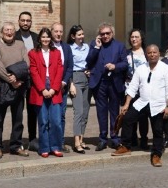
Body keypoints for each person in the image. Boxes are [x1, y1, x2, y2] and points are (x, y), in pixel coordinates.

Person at [114, 44, 168, 166]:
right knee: (127, 118)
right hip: (142, 102)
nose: (152, 55)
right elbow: (132, 88)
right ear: (146, 55)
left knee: (158, 130)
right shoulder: (141, 69)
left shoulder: (165, 68)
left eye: (154, 52)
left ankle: (156, 155)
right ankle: (126, 146)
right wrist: (126, 104)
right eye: (149, 53)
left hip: (158, 105)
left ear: (159, 54)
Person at [85, 22, 128, 151]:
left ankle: (114, 137)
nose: (105, 36)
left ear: (112, 33)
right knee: (101, 112)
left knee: (114, 112)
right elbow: (89, 61)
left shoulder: (119, 46)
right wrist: (97, 48)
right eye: (102, 34)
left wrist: (115, 66)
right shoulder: (94, 44)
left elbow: (125, 64)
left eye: (107, 33)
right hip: (100, 83)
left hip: (114, 82)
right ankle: (103, 138)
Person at [0, 21, 29, 157]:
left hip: (18, 86)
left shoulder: (20, 45)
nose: (9, 32)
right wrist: (10, 80)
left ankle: (16, 145)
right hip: (0, 87)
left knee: (18, 118)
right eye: (6, 30)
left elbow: (26, 63)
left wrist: (16, 78)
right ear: (2, 32)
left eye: (11, 30)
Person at [28, 27, 65, 157]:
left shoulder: (56, 52)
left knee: (56, 121)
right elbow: (34, 72)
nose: (45, 39)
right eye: (43, 37)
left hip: (54, 87)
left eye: (47, 37)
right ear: (39, 38)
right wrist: (43, 89)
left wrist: (54, 89)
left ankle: (55, 146)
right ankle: (44, 147)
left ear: (51, 39)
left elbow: (60, 70)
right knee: (43, 121)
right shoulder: (33, 53)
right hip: (40, 90)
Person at [64, 24, 91, 153]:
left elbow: (91, 61)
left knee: (85, 112)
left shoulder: (87, 47)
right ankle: (76, 142)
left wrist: (90, 70)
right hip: (75, 78)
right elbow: (68, 67)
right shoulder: (69, 48)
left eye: (82, 34)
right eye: (79, 35)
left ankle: (81, 139)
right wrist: (71, 84)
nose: (82, 37)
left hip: (86, 78)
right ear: (73, 36)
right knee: (78, 111)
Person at [122, 28, 151, 150]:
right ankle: (132, 138)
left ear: (141, 39)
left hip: (144, 90)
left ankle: (144, 139)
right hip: (130, 89)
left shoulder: (147, 53)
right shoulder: (126, 53)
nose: (134, 39)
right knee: (130, 116)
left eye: (136, 37)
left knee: (143, 117)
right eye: (132, 37)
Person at [51, 22, 76, 152]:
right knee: (50, 117)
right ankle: (49, 143)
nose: (59, 34)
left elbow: (70, 67)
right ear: (51, 32)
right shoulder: (47, 46)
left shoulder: (67, 48)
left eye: (60, 31)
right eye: (56, 31)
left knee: (61, 116)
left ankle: (60, 142)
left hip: (62, 88)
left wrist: (65, 82)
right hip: (49, 88)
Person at [16, 11, 39, 148]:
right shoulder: (14, 36)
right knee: (18, 111)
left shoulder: (36, 37)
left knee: (32, 110)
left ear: (31, 22)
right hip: (18, 79)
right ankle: (17, 140)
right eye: (23, 20)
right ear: (19, 21)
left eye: (28, 20)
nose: (25, 23)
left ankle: (32, 138)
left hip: (33, 79)